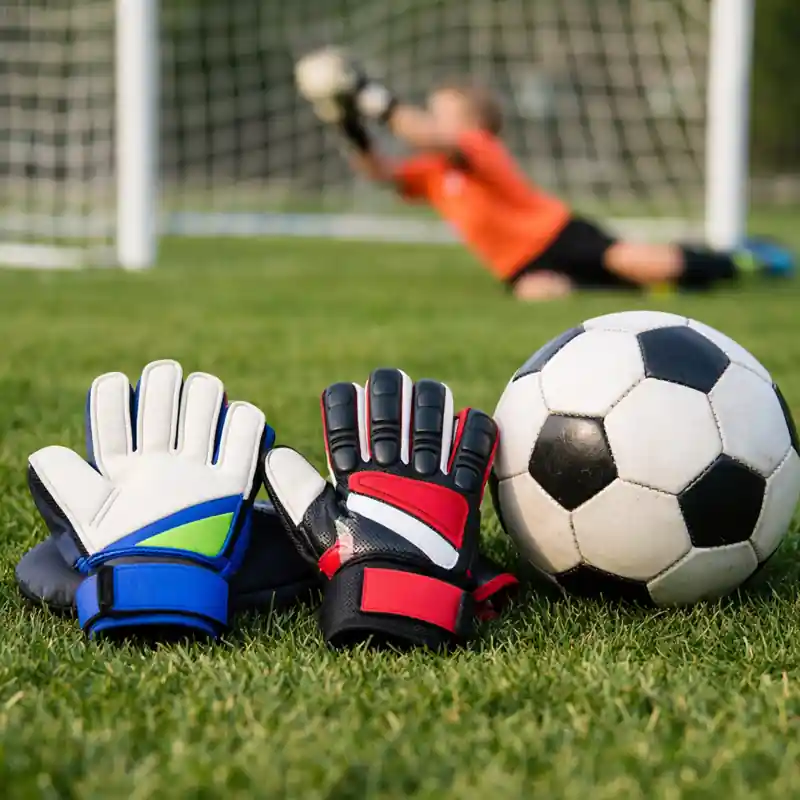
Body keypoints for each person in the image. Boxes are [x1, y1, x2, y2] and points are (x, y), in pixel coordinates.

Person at [302, 56, 793, 301]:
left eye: (443, 115)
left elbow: (429, 137)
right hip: (519, 265)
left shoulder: (478, 150)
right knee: (545, 297)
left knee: (641, 260)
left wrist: (370, 95)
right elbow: (381, 172)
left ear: (474, 123)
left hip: (559, 234)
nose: (433, 122)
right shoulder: (434, 174)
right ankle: (654, 285)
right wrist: (347, 123)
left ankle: (743, 260)